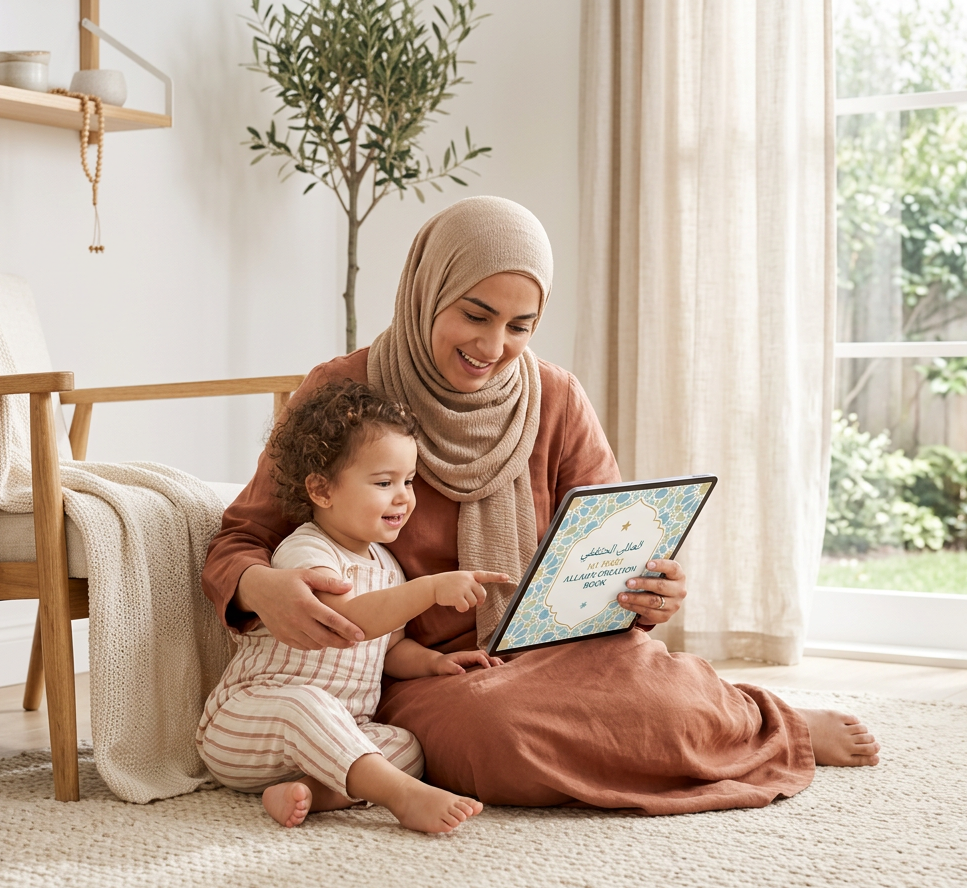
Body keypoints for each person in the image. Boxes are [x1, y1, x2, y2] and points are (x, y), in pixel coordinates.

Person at [203, 196, 880, 815]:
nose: (493, 348)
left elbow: (611, 541)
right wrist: (264, 589)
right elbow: (240, 538)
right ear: (426, 289)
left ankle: (769, 720)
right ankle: (728, 728)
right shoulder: (346, 393)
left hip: (562, 648)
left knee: (669, 705)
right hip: (432, 672)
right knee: (493, 743)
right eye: (474, 314)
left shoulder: (555, 397)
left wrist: (651, 588)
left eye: (520, 325)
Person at [197, 380, 510, 832]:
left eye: (408, 481)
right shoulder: (305, 553)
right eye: (384, 483)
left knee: (407, 747)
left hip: (335, 736)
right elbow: (346, 621)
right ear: (322, 491)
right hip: (251, 723)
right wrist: (430, 589)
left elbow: (390, 649)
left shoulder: (387, 566)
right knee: (306, 705)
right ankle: (399, 796)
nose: (403, 496)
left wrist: (434, 664)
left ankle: (309, 792)